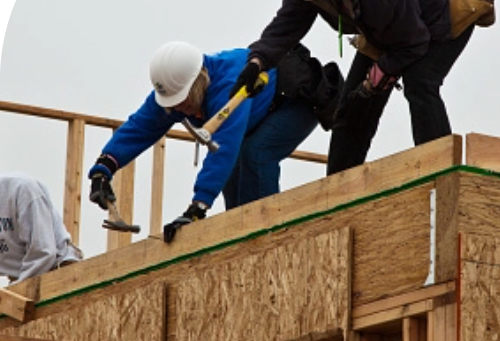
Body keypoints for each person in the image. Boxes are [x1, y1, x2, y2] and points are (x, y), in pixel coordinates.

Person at [230, 0, 496, 175]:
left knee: (420, 83)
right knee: (352, 107)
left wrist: (376, 79)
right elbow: (284, 28)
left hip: (437, 12)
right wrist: (256, 63)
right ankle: (337, 195)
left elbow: (414, 43)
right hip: (387, 27)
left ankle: (440, 172)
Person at [88, 40, 342, 243]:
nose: (182, 110)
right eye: (175, 106)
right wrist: (103, 169)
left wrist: (197, 209)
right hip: (260, 114)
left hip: (296, 102)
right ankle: (239, 241)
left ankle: (269, 238)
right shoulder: (175, 88)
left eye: (185, 103)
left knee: (255, 154)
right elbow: (140, 127)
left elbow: (224, 148)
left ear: (198, 82)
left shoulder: (228, 83)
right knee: (232, 175)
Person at [0, 172, 83, 283]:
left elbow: (43, 253)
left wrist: (16, 290)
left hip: (59, 271)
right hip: (22, 279)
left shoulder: (23, 190)